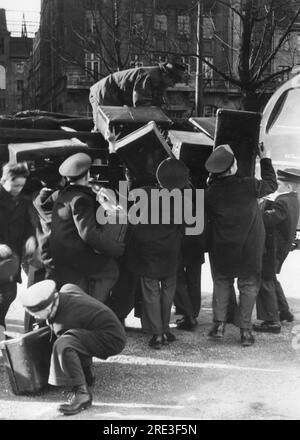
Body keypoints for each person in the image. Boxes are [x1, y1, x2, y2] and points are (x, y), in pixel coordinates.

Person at [205, 143, 278, 346]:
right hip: (250, 247)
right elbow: (272, 184)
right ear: (231, 168)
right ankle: (245, 332)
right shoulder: (249, 185)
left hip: (223, 246)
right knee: (248, 286)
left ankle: (219, 325)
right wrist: (265, 159)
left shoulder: (211, 192)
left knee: (222, 282)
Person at [19, 279, 126, 416]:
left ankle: (82, 394)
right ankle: (87, 376)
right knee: (75, 337)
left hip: (112, 339)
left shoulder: (64, 322)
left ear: (47, 309)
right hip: (109, 328)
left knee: (64, 344)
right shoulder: (67, 290)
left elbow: (71, 342)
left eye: (35, 313)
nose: (34, 317)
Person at [127, 158, 188, 349]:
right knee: (168, 292)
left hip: (148, 253)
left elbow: (130, 210)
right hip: (170, 253)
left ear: (158, 177)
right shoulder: (182, 201)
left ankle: (158, 334)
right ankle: (166, 330)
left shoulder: (144, 193)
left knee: (151, 292)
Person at [50, 152, 125, 302]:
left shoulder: (64, 194)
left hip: (61, 254)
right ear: (87, 175)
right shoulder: (81, 200)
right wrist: (116, 249)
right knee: (111, 270)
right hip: (74, 257)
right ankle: (94, 307)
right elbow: (88, 234)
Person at [254, 168, 300, 334]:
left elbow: (269, 219)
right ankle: (284, 311)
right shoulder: (294, 200)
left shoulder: (282, 200)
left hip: (271, 248)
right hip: (282, 247)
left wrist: (260, 207)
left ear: (288, 187)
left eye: (279, 184)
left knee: (264, 281)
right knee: (271, 278)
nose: (277, 187)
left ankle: (271, 320)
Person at [89, 62, 186, 130]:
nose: (173, 85)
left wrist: (169, 121)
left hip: (115, 95)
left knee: (115, 128)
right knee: (105, 127)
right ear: (166, 74)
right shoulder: (148, 76)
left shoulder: (161, 82)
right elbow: (141, 106)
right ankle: (94, 154)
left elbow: (159, 105)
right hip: (104, 92)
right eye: (173, 81)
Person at [0, 162, 35, 327]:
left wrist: (30, 238)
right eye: (15, 185)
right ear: (4, 180)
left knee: (9, 295)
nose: (18, 189)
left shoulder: (23, 202)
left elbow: (28, 225)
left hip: (10, 263)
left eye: (21, 186)